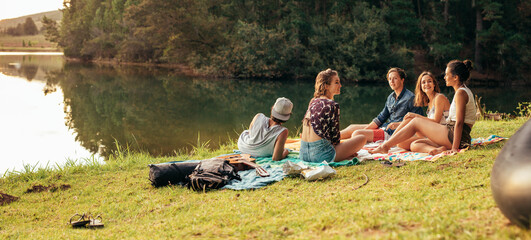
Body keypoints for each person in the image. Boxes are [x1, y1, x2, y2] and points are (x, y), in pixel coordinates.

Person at [370, 60, 476, 155]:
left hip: (456, 137)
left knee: (416, 121)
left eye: (447, 74)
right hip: (454, 136)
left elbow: (459, 123)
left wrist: (454, 148)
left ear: (455, 77)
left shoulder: (460, 93)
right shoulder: (462, 91)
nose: (444, 77)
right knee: (414, 144)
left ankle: (385, 146)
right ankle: (436, 150)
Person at [300, 69, 366, 163]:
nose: (340, 85)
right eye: (336, 82)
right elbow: (335, 139)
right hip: (321, 157)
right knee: (362, 138)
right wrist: (346, 151)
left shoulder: (313, 101)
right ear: (326, 86)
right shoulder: (332, 105)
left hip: (303, 154)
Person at [340, 67, 423, 142]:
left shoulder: (411, 98)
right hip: (384, 128)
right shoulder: (391, 97)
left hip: (392, 134)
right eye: (390, 79)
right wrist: (366, 129)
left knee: (357, 133)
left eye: (395, 78)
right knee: (352, 128)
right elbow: (381, 118)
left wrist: (398, 125)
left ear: (402, 80)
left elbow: (418, 122)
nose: (392, 81)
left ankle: (344, 147)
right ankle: (330, 140)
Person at [394, 71, 450, 150]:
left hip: (445, 136)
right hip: (435, 137)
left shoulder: (439, 98)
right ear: (420, 86)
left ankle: (388, 143)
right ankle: (437, 149)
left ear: (434, 84)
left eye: (429, 81)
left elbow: (436, 121)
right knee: (401, 144)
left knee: (412, 118)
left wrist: (416, 116)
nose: (426, 84)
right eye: (423, 82)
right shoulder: (430, 102)